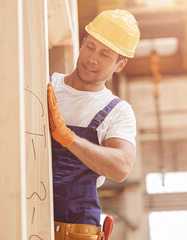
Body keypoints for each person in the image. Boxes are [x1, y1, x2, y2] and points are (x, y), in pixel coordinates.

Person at [47, 9, 140, 240]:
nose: (92, 59)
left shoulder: (117, 111)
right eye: (90, 47)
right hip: (23, 208)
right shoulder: (46, 84)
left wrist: (69, 138)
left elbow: (121, 167)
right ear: (83, 42)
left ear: (120, 64)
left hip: (74, 230)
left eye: (105, 55)